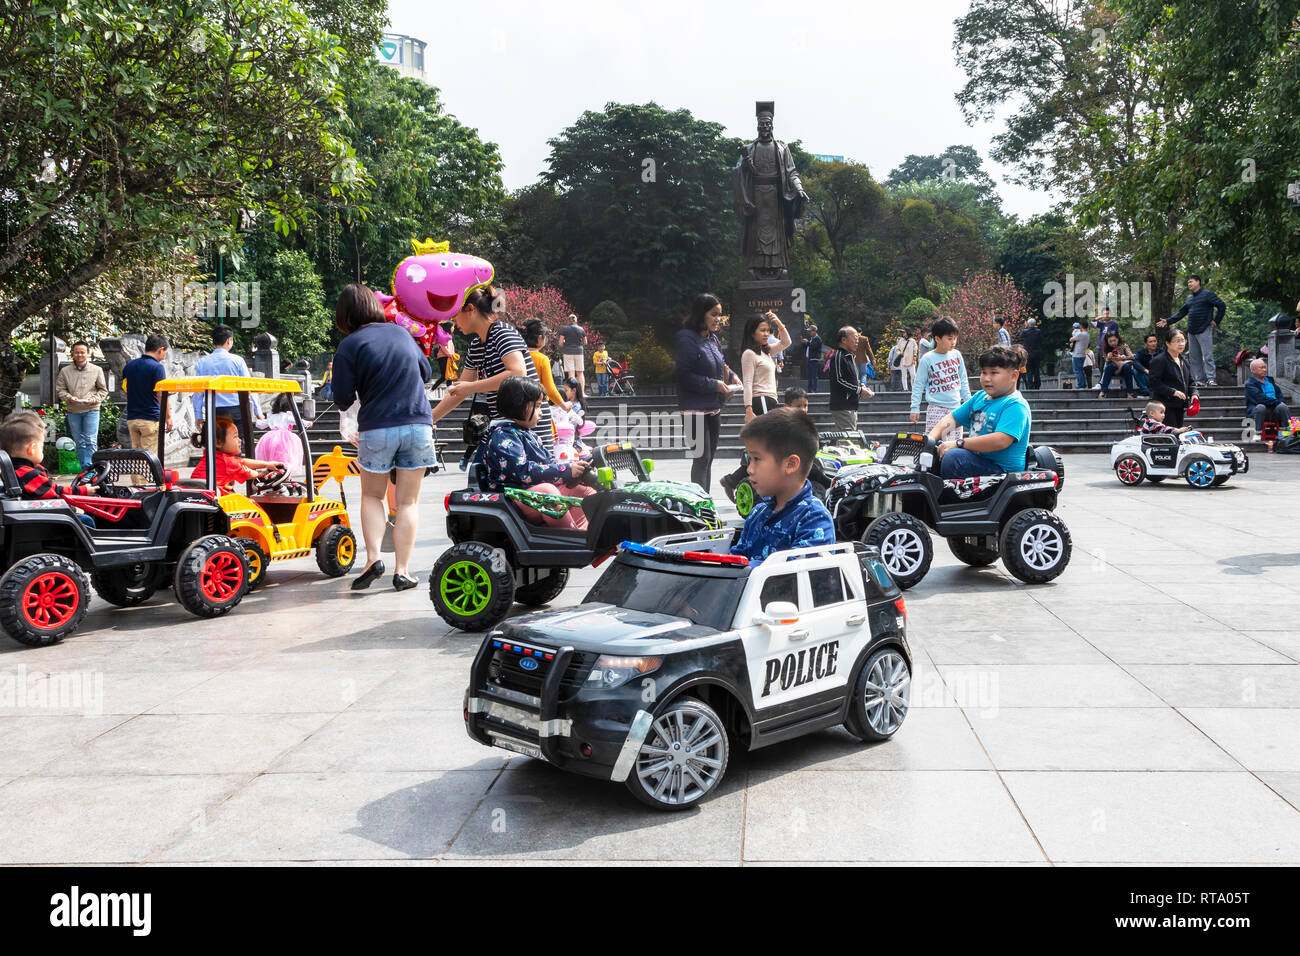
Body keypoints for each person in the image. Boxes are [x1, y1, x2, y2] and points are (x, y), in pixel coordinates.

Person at [331, 283, 435, 593]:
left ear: (344, 315)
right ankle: (402, 571)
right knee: (407, 501)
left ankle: (373, 559)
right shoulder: (401, 333)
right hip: (418, 424)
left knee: (372, 496)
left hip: (377, 426)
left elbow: (343, 399)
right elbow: (426, 373)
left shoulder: (350, 345)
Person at [433, 286, 555, 455]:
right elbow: (458, 391)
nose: (454, 323)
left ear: (470, 309)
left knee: (533, 474)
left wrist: (471, 387)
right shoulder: (476, 346)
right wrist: (430, 418)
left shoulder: (502, 332)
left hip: (528, 421)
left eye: (455, 316)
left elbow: (517, 373)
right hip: (505, 425)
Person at [472, 376, 595, 530]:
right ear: (517, 405)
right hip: (513, 499)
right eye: (536, 406)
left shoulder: (529, 434)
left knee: (584, 491)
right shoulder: (503, 435)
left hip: (530, 494)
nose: (541, 413)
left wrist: (572, 470)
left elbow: (550, 463)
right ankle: (570, 537)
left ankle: (583, 534)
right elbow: (524, 471)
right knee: (547, 493)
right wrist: (564, 470)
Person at [729, 408, 835, 564]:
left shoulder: (814, 518)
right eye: (749, 458)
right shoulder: (757, 513)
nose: (749, 469)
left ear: (791, 464)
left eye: (756, 459)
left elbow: (790, 576)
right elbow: (735, 559)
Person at [927, 345, 1032, 479]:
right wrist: (930, 440)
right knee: (934, 450)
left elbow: (1001, 440)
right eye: (983, 372)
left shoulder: (1015, 405)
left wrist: (958, 443)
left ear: (1013, 376)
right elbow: (951, 419)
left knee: (954, 458)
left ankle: (948, 499)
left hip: (1001, 472)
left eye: (994, 373)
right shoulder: (980, 397)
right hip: (977, 460)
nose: (986, 378)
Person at [674, 293, 740, 492]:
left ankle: (706, 503)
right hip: (694, 411)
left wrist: (733, 377)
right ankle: (698, 507)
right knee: (701, 459)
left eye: (719, 314)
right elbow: (683, 375)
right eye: (714, 314)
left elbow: (721, 365)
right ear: (701, 314)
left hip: (713, 408)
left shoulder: (713, 339)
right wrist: (714, 385)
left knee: (709, 459)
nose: (718, 319)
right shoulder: (686, 339)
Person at [910, 317, 971, 440]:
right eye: (949, 338)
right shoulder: (927, 359)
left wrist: (970, 404)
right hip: (936, 408)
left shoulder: (957, 355)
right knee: (933, 444)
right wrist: (914, 408)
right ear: (937, 338)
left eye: (955, 338)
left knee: (953, 445)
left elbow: (963, 381)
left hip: (955, 408)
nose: (953, 342)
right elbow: (918, 384)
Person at [1159, 274, 1225, 387]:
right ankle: (1199, 379)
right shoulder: (1189, 298)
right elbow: (1181, 312)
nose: (1189, 284)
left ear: (1198, 282)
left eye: (1191, 282)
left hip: (1204, 328)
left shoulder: (1207, 294)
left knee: (1207, 355)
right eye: (1188, 282)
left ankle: (1211, 379)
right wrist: (1168, 321)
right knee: (1194, 356)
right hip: (1192, 331)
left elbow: (1221, 305)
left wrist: (1216, 320)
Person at [191, 417, 284, 495]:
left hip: (208, 496)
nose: (239, 440)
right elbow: (250, 473)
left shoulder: (214, 457)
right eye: (235, 437)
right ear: (218, 442)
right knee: (253, 508)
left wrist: (266, 464)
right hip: (217, 499)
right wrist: (263, 473)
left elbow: (242, 461)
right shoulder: (226, 462)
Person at [193, 325, 260, 430]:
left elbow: (198, 392)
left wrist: (198, 416)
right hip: (235, 410)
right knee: (236, 441)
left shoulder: (202, 362)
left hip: (212, 410)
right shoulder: (237, 361)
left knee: (215, 442)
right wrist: (258, 411)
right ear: (229, 341)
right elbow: (248, 386)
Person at [121, 334, 172, 466]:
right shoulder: (157, 367)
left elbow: (126, 391)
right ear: (160, 349)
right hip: (150, 419)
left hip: (132, 418)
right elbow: (161, 394)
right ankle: (147, 486)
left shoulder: (130, 366)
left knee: (136, 457)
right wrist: (168, 417)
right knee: (150, 457)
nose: (164, 355)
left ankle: (137, 484)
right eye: (165, 352)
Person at [55, 341, 107, 470]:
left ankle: (92, 469)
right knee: (79, 442)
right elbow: (60, 389)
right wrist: (69, 398)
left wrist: (93, 399)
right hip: (73, 410)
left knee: (91, 441)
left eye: (82, 352)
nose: (79, 355)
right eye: (77, 352)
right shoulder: (65, 371)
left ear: (88, 353)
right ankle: (85, 469)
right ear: (72, 353)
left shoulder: (97, 370)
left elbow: (103, 390)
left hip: (92, 409)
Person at [740, 310, 792, 421]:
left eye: (768, 330)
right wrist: (748, 409)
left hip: (770, 399)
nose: (766, 334)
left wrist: (778, 322)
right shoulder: (749, 353)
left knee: (769, 437)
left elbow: (786, 342)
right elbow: (747, 383)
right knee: (767, 437)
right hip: (761, 399)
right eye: (762, 330)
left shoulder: (767, 351)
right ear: (752, 333)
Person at [1147, 328, 1198, 428]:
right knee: (1170, 435)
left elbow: (1191, 382)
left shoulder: (1184, 360)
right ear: (1168, 343)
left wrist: (1194, 394)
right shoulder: (1160, 360)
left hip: (1179, 404)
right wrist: (1173, 392)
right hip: (1164, 406)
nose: (1181, 344)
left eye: (1183, 340)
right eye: (1177, 341)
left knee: (1178, 433)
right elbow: (1153, 383)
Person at [828, 327, 874, 431]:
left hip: (850, 405)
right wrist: (859, 390)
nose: (857, 341)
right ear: (844, 340)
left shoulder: (850, 356)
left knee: (846, 440)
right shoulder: (839, 356)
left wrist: (862, 387)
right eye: (855, 338)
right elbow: (838, 380)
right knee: (848, 441)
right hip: (843, 405)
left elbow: (851, 380)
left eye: (858, 338)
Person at [521, 319, 571, 413]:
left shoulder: (517, 356)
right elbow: (549, 388)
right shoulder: (542, 359)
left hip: (520, 406)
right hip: (538, 406)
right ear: (540, 338)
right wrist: (564, 405)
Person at [254, 393, 311, 474]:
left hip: (270, 439)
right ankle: (284, 474)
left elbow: (261, 425)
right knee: (285, 457)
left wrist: (258, 421)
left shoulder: (272, 416)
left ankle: (272, 472)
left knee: (272, 457)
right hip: (285, 440)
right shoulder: (287, 416)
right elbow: (298, 421)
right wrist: (308, 423)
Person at [1244, 358, 1291, 434]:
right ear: (1253, 370)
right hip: (1260, 412)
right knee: (1261, 407)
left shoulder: (1270, 380)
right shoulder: (1250, 384)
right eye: (1261, 368)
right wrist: (1278, 402)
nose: (1264, 370)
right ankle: (1257, 432)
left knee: (1283, 407)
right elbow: (1260, 399)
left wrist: (1281, 401)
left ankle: (1288, 432)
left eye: (1265, 367)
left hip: (1274, 411)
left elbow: (1279, 394)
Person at [1098, 332, 1138, 398]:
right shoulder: (1106, 348)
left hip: (1124, 367)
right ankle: (1103, 391)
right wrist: (1108, 358)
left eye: (1114, 340)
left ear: (1118, 339)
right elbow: (1106, 362)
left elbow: (1132, 357)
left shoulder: (1123, 345)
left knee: (1127, 367)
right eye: (1110, 341)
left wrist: (1122, 357)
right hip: (1113, 368)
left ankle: (1130, 392)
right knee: (1109, 367)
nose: (1113, 343)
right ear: (1107, 341)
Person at [558, 314, 587, 396]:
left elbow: (560, 343)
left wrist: (566, 344)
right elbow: (585, 342)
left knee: (571, 374)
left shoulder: (565, 329)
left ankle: (573, 394)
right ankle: (582, 393)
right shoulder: (581, 329)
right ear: (576, 320)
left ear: (568, 320)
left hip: (568, 352)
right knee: (580, 373)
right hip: (579, 352)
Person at [1019, 318, 1042, 390]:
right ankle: (1037, 385)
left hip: (1028, 354)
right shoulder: (1038, 332)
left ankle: (1030, 386)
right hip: (1037, 354)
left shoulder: (1024, 332)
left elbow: (1020, 337)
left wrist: (1026, 327)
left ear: (1028, 324)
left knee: (1029, 370)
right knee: (1036, 370)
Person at [1068, 322, 1089, 389]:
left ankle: (1081, 385)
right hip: (1082, 354)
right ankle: (1083, 384)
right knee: (1080, 370)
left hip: (1077, 355)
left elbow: (1071, 339)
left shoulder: (1081, 334)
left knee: (1077, 370)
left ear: (1081, 326)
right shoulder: (1087, 334)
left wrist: (1072, 342)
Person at [802, 324, 822, 392]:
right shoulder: (811, 339)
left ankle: (814, 390)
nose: (809, 333)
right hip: (809, 359)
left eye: (810, 331)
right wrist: (805, 343)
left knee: (814, 376)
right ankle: (810, 389)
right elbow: (808, 347)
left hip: (814, 360)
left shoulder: (817, 339)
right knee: (809, 376)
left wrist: (807, 342)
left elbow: (813, 347)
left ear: (815, 331)